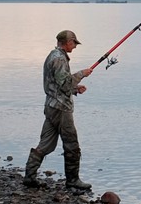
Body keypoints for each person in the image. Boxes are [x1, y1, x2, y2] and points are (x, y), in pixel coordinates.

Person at [24, 29, 95, 191]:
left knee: (46, 143)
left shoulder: (53, 56)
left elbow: (57, 84)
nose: (75, 46)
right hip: (61, 108)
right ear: (67, 42)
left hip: (50, 106)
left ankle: (29, 177)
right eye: (74, 43)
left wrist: (75, 89)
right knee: (71, 144)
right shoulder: (59, 59)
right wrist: (81, 74)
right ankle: (73, 180)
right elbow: (64, 84)